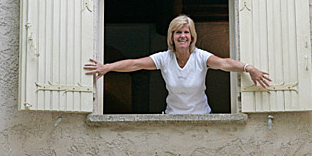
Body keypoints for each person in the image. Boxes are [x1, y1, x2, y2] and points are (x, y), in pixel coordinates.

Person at [84, 15, 271, 114]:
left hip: (201, 117)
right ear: (172, 37)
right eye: (178, 32)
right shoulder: (165, 58)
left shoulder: (200, 57)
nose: (182, 36)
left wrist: (249, 68)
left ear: (192, 37)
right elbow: (135, 64)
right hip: (173, 116)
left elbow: (224, 63)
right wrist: (107, 67)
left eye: (186, 32)